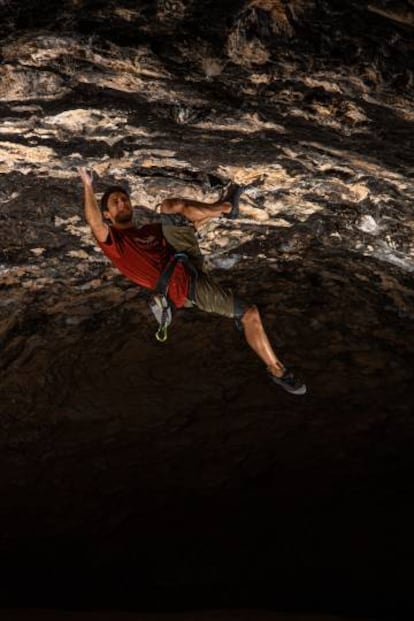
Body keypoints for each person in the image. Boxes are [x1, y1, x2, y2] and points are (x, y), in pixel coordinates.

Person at [78, 167, 306, 395]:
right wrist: (88, 185)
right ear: (107, 214)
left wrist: (211, 212)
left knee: (170, 208)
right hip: (185, 286)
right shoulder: (115, 243)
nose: (122, 203)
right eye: (115, 202)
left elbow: (188, 228)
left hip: (185, 258)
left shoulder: (150, 230)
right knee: (249, 313)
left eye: (124, 199)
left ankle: (227, 207)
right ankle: (278, 371)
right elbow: (94, 223)